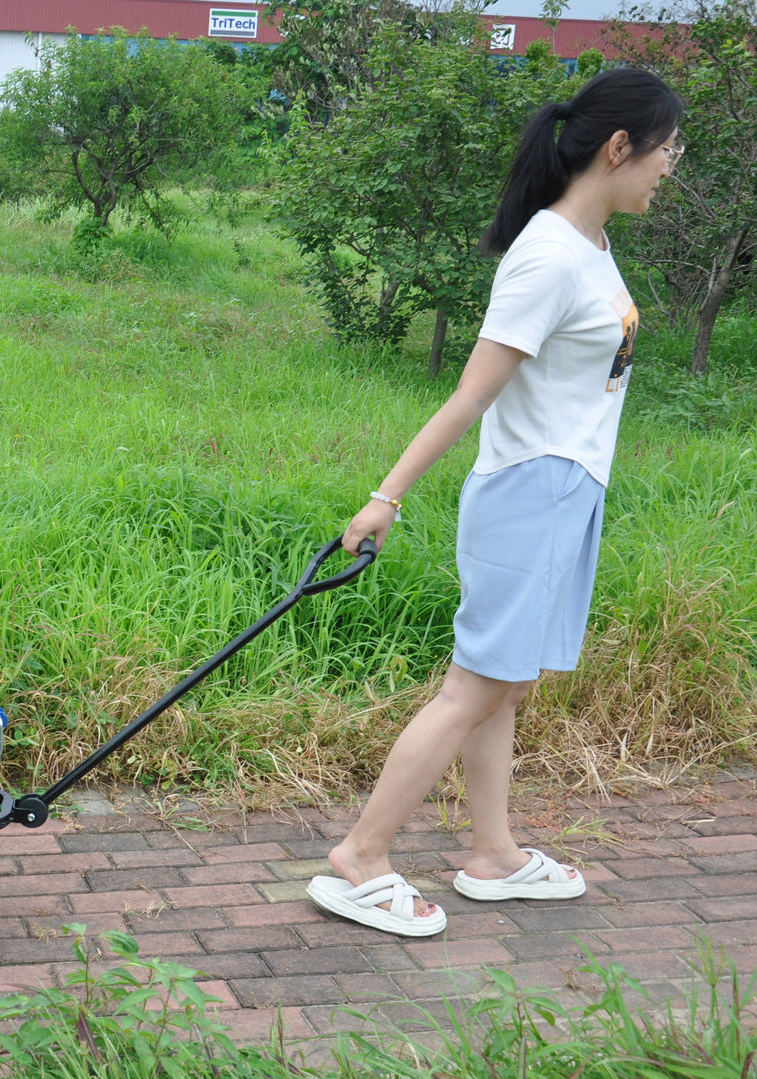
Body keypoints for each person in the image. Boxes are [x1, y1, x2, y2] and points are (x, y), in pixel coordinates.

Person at [306, 68, 685, 937]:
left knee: (503, 687)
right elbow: (468, 397)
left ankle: (494, 854)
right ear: (617, 148)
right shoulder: (548, 255)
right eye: (665, 150)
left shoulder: (589, 243)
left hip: (563, 490)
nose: (670, 167)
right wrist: (383, 498)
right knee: (472, 686)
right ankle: (359, 856)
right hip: (529, 491)